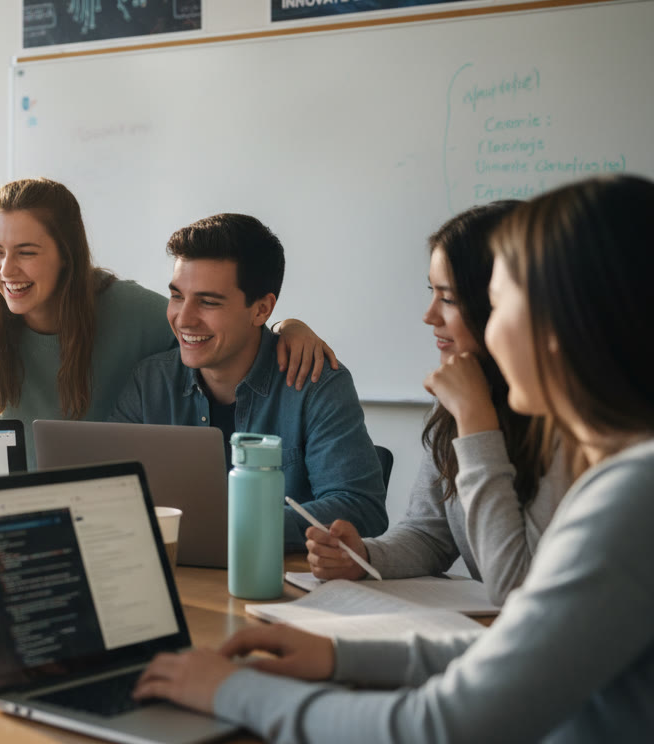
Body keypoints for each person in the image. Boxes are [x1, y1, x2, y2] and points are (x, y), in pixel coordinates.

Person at [132, 175, 654, 742]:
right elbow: (530, 647)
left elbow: (439, 724)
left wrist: (230, 690)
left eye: (497, 304)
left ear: (567, 323)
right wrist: (340, 656)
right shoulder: (626, 477)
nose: (430, 318)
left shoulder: (633, 495)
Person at [0, 178, 337, 465]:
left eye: (26, 253)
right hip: (11, 503)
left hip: (107, 505)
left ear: (66, 256)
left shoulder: (132, 309)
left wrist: (286, 328)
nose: (6, 271)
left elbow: (213, 338)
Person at [307, 201, 566, 605]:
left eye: (449, 298)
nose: (429, 315)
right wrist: (366, 557)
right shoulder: (462, 394)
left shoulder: (570, 425)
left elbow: (517, 585)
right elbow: (429, 533)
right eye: (432, 292)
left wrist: (476, 422)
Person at [111, 213, 387, 551]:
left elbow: (361, 508)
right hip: (182, 577)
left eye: (208, 302)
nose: (184, 319)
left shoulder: (316, 382)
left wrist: (235, 526)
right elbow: (110, 493)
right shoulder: (150, 381)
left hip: (280, 585)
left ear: (261, 310)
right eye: (177, 296)